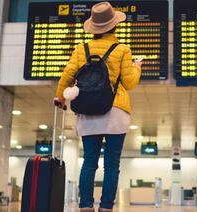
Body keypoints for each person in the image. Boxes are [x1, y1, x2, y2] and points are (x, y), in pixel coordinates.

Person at [55, 2, 142, 211]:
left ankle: (85, 206)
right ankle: (105, 207)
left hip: (88, 111)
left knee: (89, 162)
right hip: (115, 112)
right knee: (112, 164)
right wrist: (136, 67)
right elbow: (129, 83)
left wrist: (61, 97)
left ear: (93, 27)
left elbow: (67, 75)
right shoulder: (122, 49)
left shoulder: (81, 49)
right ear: (115, 26)